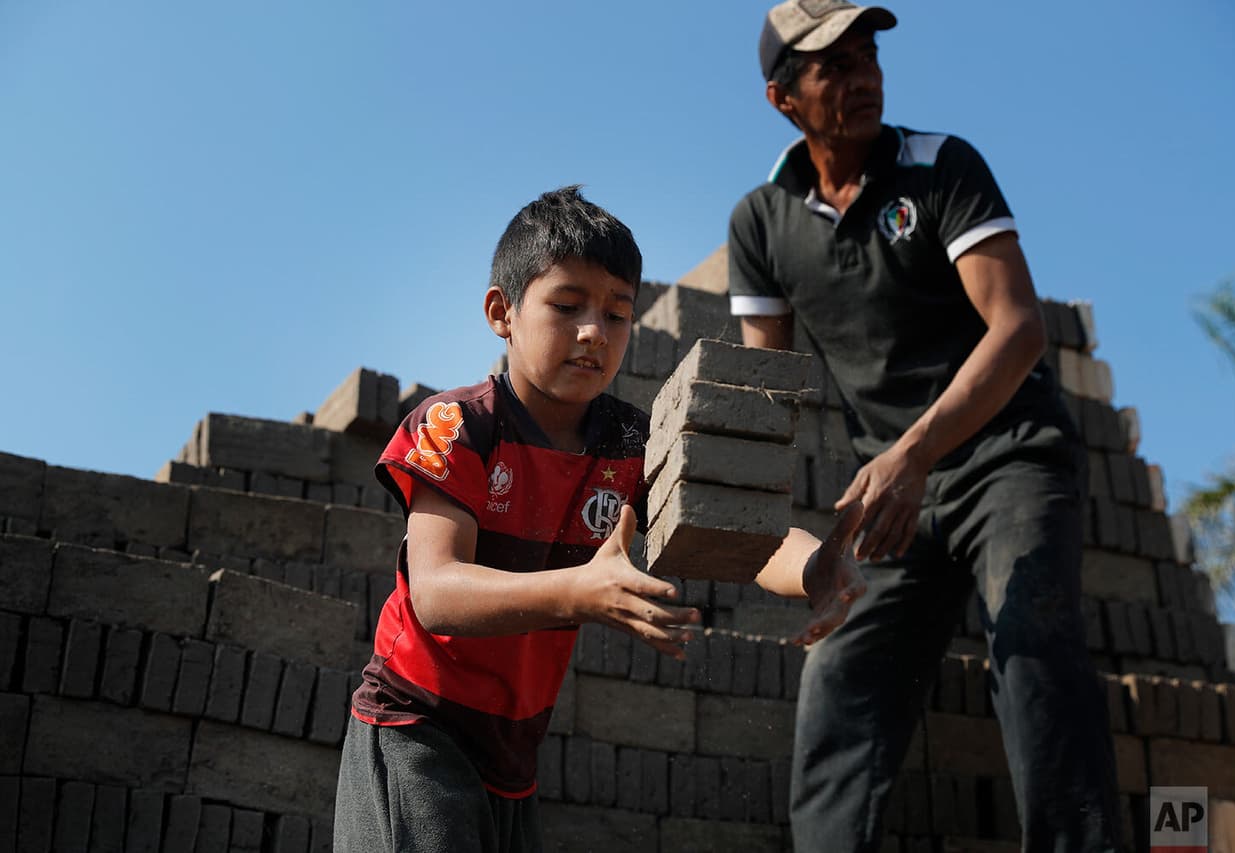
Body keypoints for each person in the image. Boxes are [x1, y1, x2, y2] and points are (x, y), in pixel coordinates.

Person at [333, 185, 862, 853]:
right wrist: (580, 589)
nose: (594, 332)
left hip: (514, 759)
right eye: (567, 305)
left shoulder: (632, 448)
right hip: (416, 726)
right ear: (502, 311)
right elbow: (436, 592)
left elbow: (744, 534)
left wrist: (816, 566)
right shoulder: (457, 426)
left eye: (617, 313)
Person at [728, 2, 1122, 850]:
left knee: (1031, 646)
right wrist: (789, 546)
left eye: (868, 56)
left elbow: (1017, 327)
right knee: (839, 681)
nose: (864, 76)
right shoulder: (762, 222)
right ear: (783, 99)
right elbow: (770, 395)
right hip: (894, 494)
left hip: (1008, 457)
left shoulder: (941, 167)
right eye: (834, 67)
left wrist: (913, 451)